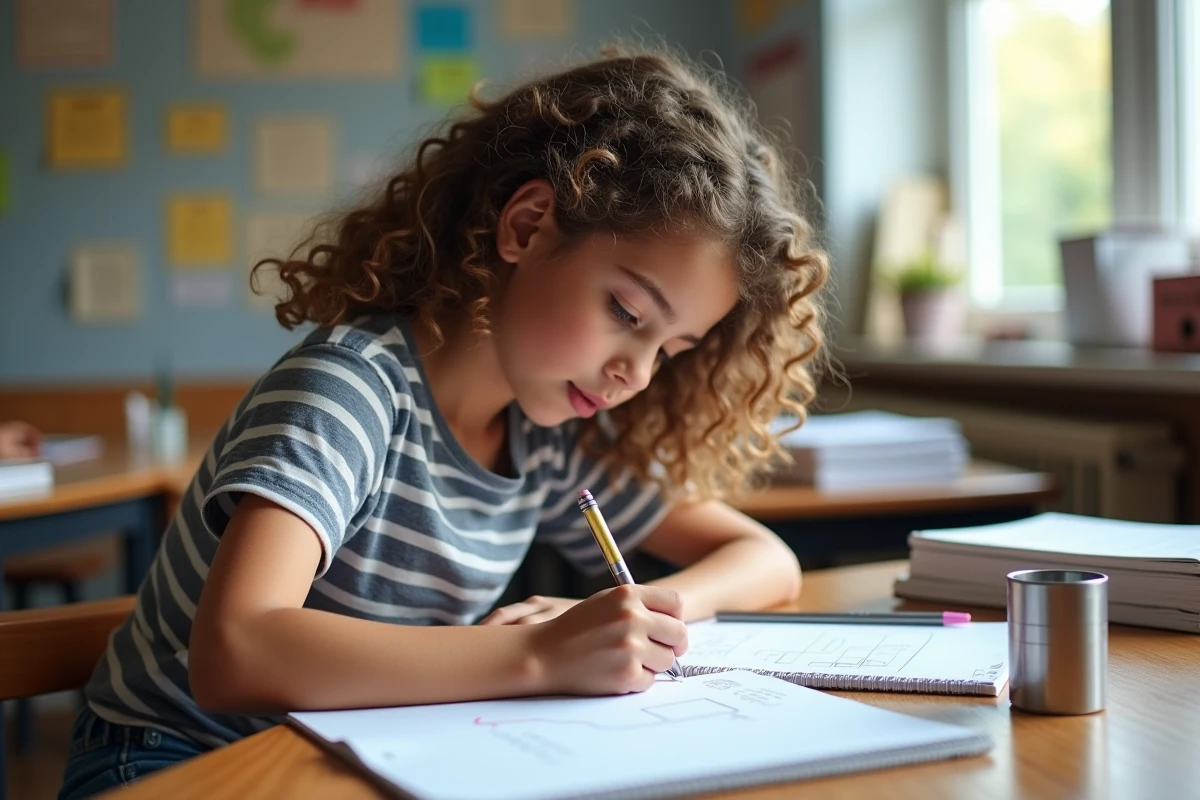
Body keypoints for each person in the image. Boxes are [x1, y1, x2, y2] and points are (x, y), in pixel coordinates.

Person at [58, 47, 829, 799]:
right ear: (527, 227)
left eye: (672, 348)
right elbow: (235, 650)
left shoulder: (546, 439)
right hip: (166, 761)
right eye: (626, 312)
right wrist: (536, 654)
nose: (637, 371)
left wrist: (638, 618)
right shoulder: (351, 389)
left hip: (342, 759)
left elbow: (764, 559)